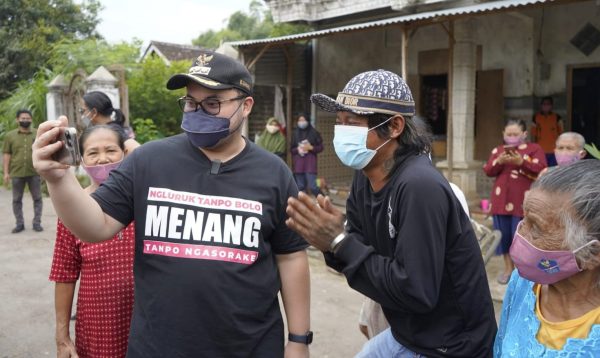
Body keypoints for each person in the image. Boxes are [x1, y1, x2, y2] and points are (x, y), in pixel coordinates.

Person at [33, 50, 311, 357]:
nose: (197, 112)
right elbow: (95, 226)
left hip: (249, 347)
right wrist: (58, 179)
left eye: (213, 103)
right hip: (158, 347)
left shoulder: (273, 173)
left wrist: (298, 339)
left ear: (245, 106)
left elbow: (290, 257)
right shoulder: (148, 160)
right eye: (191, 102)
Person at [287, 69, 497, 357]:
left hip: (450, 346)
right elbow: (358, 253)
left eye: (353, 122)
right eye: (339, 122)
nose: (342, 131)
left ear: (395, 126)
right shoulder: (365, 176)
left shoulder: (419, 186)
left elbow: (416, 291)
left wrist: (340, 242)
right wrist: (331, 240)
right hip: (407, 334)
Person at [494, 159, 600, 356]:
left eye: (536, 227)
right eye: (523, 218)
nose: (520, 234)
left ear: (592, 254)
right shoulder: (522, 283)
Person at [50, 125, 135, 358]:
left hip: (146, 321)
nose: (102, 159)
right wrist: (62, 337)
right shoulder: (72, 209)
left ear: (125, 154)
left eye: (110, 150)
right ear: (82, 159)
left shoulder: (145, 202)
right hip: (99, 325)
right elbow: (64, 274)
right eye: (93, 153)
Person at [484, 118, 547, 285]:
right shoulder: (498, 150)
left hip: (523, 202)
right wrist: (500, 161)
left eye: (515, 134)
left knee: (521, 236)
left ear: (524, 134)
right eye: (508, 134)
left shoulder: (534, 149)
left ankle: (523, 272)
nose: (511, 137)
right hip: (500, 201)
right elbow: (488, 170)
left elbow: (542, 168)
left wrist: (521, 162)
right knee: (503, 236)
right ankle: (507, 269)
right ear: (503, 134)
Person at [3, 109, 43, 233]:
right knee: (16, 200)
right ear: (17, 120)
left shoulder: (37, 134)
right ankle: (19, 224)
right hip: (17, 173)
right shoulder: (10, 136)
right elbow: (7, 154)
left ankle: (37, 223)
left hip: (34, 172)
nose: (25, 120)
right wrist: (6, 172)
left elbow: (42, 151)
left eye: (27, 118)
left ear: (31, 120)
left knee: (37, 198)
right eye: (23, 118)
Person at [291, 113, 323, 196]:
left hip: (310, 164)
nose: (301, 122)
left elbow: (321, 147)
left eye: (303, 120)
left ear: (308, 121)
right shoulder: (295, 133)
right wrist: (298, 149)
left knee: (313, 186)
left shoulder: (314, 133)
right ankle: (304, 205)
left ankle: (324, 201)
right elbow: (291, 150)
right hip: (298, 165)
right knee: (300, 187)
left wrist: (311, 148)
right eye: (300, 120)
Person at [531, 96, 562, 167]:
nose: (546, 106)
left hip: (554, 150)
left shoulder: (557, 117)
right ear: (541, 105)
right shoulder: (536, 117)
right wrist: (533, 148)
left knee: (553, 171)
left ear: (551, 106)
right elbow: (533, 134)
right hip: (541, 150)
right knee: (542, 170)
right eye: (544, 104)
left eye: (548, 104)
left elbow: (561, 134)